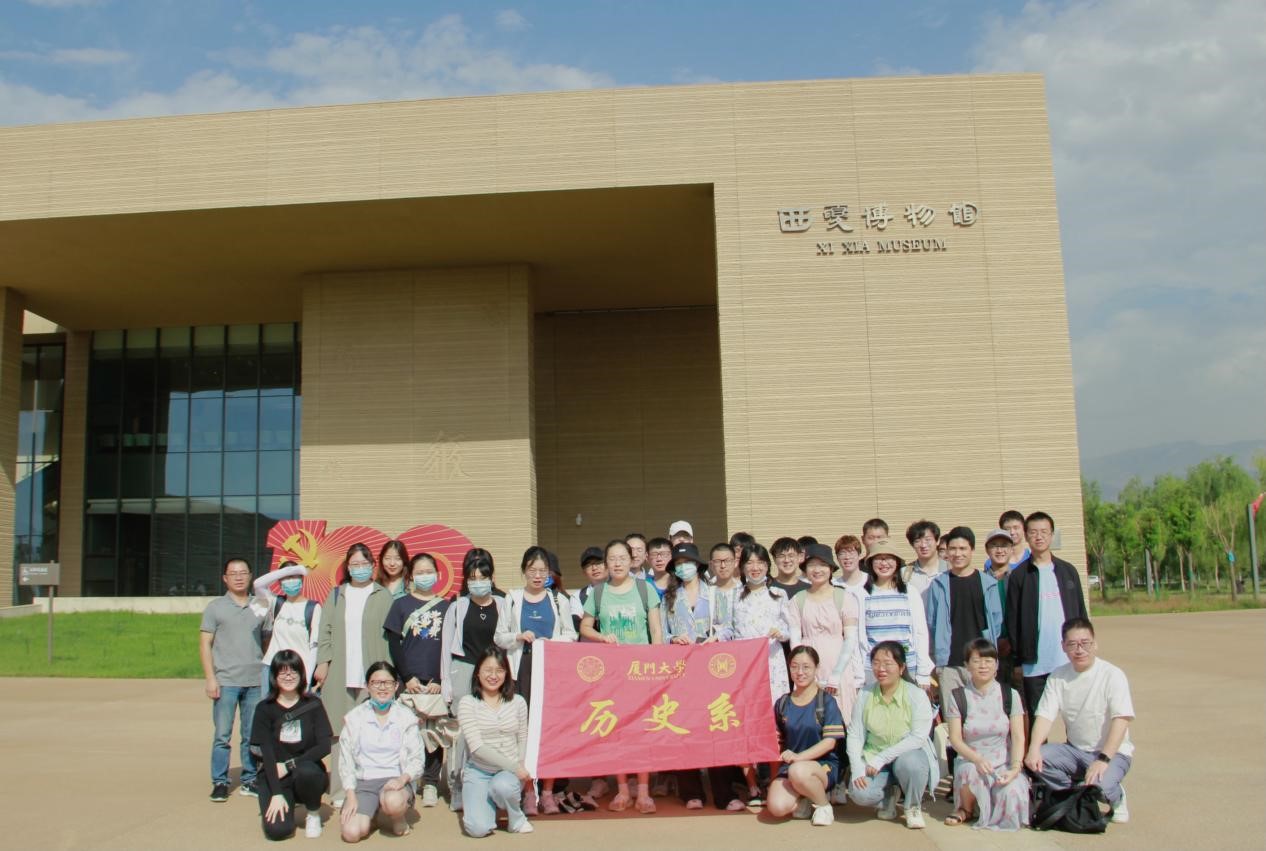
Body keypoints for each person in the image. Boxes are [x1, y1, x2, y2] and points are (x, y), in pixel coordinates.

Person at [580, 539, 663, 813]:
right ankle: (623, 790)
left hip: (640, 674)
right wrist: (602, 637)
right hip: (611, 674)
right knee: (616, 731)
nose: (617, 563)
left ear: (632, 561)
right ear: (606, 563)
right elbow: (585, 627)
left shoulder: (645, 589)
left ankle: (644, 792)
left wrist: (657, 665)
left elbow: (656, 631)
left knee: (642, 731)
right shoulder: (598, 592)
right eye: (612, 559)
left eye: (622, 558)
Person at [1025, 618, 1134, 823]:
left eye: (1085, 643)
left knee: (1100, 789)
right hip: (1075, 750)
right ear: (1063, 647)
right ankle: (1076, 793)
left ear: (1095, 644)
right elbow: (1045, 716)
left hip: (1112, 753)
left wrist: (1103, 760)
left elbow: (1121, 720)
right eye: (1073, 644)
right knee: (1038, 760)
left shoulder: (1112, 675)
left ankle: (1116, 795)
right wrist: (1033, 748)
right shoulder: (1058, 676)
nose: (1079, 650)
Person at [497, 546, 578, 814]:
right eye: (532, 570)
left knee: (550, 731)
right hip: (521, 669)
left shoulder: (559, 600)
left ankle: (548, 792)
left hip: (550, 671)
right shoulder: (512, 598)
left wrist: (550, 642)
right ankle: (528, 791)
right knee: (524, 731)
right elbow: (499, 637)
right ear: (524, 571)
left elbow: (571, 635)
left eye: (543, 571)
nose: (538, 575)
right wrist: (518, 637)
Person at [313, 543, 394, 804]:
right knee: (340, 733)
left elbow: (390, 637)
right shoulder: (337, 595)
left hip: (372, 676)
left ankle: (368, 790)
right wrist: (323, 662)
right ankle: (339, 791)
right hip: (340, 674)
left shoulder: (382, 595)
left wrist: (389, 673)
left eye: (364, 564)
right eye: (354, 564)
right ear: (347, 567)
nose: (359, 569)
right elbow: (325, 631)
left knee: (371, 733)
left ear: (373, 566)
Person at [847, 641, 939, 830]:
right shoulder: (865, 694)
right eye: (876, 663)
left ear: (901, 667)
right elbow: (855, 734)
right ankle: (889, 796)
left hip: (906, 756)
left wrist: (882, 758)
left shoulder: (916, 695)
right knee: (859, 792)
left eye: (888, 663)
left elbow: (918, 738)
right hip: (873, 759)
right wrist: (857, 768)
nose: (881, 669)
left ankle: (912, 806)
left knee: (911, 764)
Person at [383, 552, 451, 809]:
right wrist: (406, 676)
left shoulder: (447, 606)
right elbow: (393, 643)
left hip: (435, 680)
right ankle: (409, 779)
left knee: (434, 732)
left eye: (429, 572)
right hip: (408, 679)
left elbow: (450, 646)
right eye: (419, 572)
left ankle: (431, 782)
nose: (425, 576)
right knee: (407, 731)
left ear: (438, 574)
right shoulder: (400, 605)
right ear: (410, 576)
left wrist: (440, 679)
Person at [1005, 511, 1088, 719]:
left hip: (1067, 658)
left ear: (1052, 535)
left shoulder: (1068, 571)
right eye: (1033, 532)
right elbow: (1013, 621)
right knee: (1038, 717)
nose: (1039, 537)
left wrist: (1085, 648)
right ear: (1026, 536)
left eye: (1044, 532)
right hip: (1035, 663)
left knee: (1075, 716)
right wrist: (1017, 660)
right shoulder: (1019, 576)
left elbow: (1081, 613)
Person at [942, 639, 1028, 830]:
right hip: (971, 760)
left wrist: (1015, 768)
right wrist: (977, 759)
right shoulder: (958, 696)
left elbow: (1018, 736)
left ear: (996, 665)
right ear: (967, 665)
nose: (983, 665)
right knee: (969, 772)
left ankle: (992, 805)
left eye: (988, 660)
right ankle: (966, 808)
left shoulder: (1010, 695)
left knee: (1012, 792)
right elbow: (955, 739)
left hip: (1003, 762)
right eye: (976, 660)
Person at [200, 557, 267, 801]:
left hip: (255, 681)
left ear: (250, 576)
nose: (239, 577)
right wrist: (210, 678)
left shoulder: (261, 605)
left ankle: (250, 779)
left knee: (251, 735)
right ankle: (220, 781)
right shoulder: (215, 607)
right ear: (225, 578)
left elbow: (267, 641)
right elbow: (205, 644)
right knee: (222, 735)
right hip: (226, 681)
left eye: (243, 572)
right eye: (233, 573)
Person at [337, 662, 424, 841]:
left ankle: (398, 817)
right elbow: (346, 761)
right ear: (367, 686)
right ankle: (372, 815)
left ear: (396, 686)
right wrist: (351, 795)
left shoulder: (406, 717)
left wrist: (402, 779)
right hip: (364, 783)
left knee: (393, 801)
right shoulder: (355, 718)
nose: (382, 688)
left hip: (395, 782)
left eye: (388, 683)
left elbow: (417, 759)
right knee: (351, 833)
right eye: (376, 683)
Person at [251, 650, 332, 840]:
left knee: (308, 772)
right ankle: (285, 803)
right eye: (283, 672)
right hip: (274, 773)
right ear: (274, 676)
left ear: (301, 674)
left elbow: (324, 746)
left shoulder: (313, 704)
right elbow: (266, 752)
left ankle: (313, 812)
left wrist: (290, 765)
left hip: (305, 769)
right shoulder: (264, 708)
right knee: (277, 831)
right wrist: (276, 793)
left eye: (293, 671)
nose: (288, 676)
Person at [765, 646, 846, 827]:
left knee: (798, 771)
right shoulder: (783, 703)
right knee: (777, 807)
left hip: (823, 765)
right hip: (792, 766)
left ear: (816, 668)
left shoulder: (826, 701)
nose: (800, 672)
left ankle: (823, 805)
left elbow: (829, 743)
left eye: (806, 667)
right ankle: (806, 796)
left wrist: (799, 757)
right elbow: (775, 743)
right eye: (794, 667)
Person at [456, 647, 533, 836]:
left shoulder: (518, 702)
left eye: (499, 670)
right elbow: (477, 748)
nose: (493, 676)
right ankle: (487, 803)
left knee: (503, 786)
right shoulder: (467, 703)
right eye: (488, 670)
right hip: (479, 771)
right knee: (477, 829)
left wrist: (520, 764)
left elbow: (522, 736)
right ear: (477, 673)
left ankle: (516, 818)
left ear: (506, 674)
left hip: (509, 773)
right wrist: (515, 767)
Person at [924, 527, 1003, 699]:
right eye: (952, 549)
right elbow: (931, 623)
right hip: (949, 663)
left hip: (982, 662)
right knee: (952, 713)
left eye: (962, 548)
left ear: (972, 550)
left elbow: (996, 622)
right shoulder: (938, 585)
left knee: (983, 712)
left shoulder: (988, 583)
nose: (957, 554)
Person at [857, 539, 932, 691]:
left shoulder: (909, 592)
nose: (884, 563)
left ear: (897, 562)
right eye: (879, 558)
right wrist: (858, 675)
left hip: (906, 666)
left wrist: (923, 672)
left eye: (889, 558)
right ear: (870, 563)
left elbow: (920, 632)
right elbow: (859, 639)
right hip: (874, 669)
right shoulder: (862, 594)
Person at [733, 543, 790, 702]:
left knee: (773, 703)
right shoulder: (734, 595)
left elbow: (789, 630)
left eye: (760, 562)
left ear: (767, 566)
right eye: (750, 563)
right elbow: (728, 629)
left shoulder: (778, 594)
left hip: (772, 659)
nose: (755, 568)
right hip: (744, 660)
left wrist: (780, 633)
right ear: (742, 567)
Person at [253, 560, 322, 693]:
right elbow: (258, 584)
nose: (290, 581)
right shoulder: (276, 602)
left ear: (302, 579)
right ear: (279, 581)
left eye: (294, 577)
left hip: (298, 669)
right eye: (286, 578)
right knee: (269, 706)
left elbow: (314, 646)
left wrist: (307, 680)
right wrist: (285, 571)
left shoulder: (313, 607)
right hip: (272, 667)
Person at [982, 528, 1017, 683]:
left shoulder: (1020, 577)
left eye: (1004, 546)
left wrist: (1012, 640)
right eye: (995, 546)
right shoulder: (980, 580)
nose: (1000, 550)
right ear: (987, 550)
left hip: (1016, 649)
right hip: (989, 649)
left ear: (1011, 549)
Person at [903, 519, 946, 597]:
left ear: (937, 541)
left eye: (927, 540)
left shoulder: (949, 569)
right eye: (917, 541)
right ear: (912, 545)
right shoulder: (905, 573)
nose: (923, 545)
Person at [707, 543, 741, 631]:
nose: (723, 566)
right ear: (711, 565)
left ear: (735, 563)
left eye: (727, 561)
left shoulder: (744, 591)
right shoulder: (705, 593)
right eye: (717, 561)